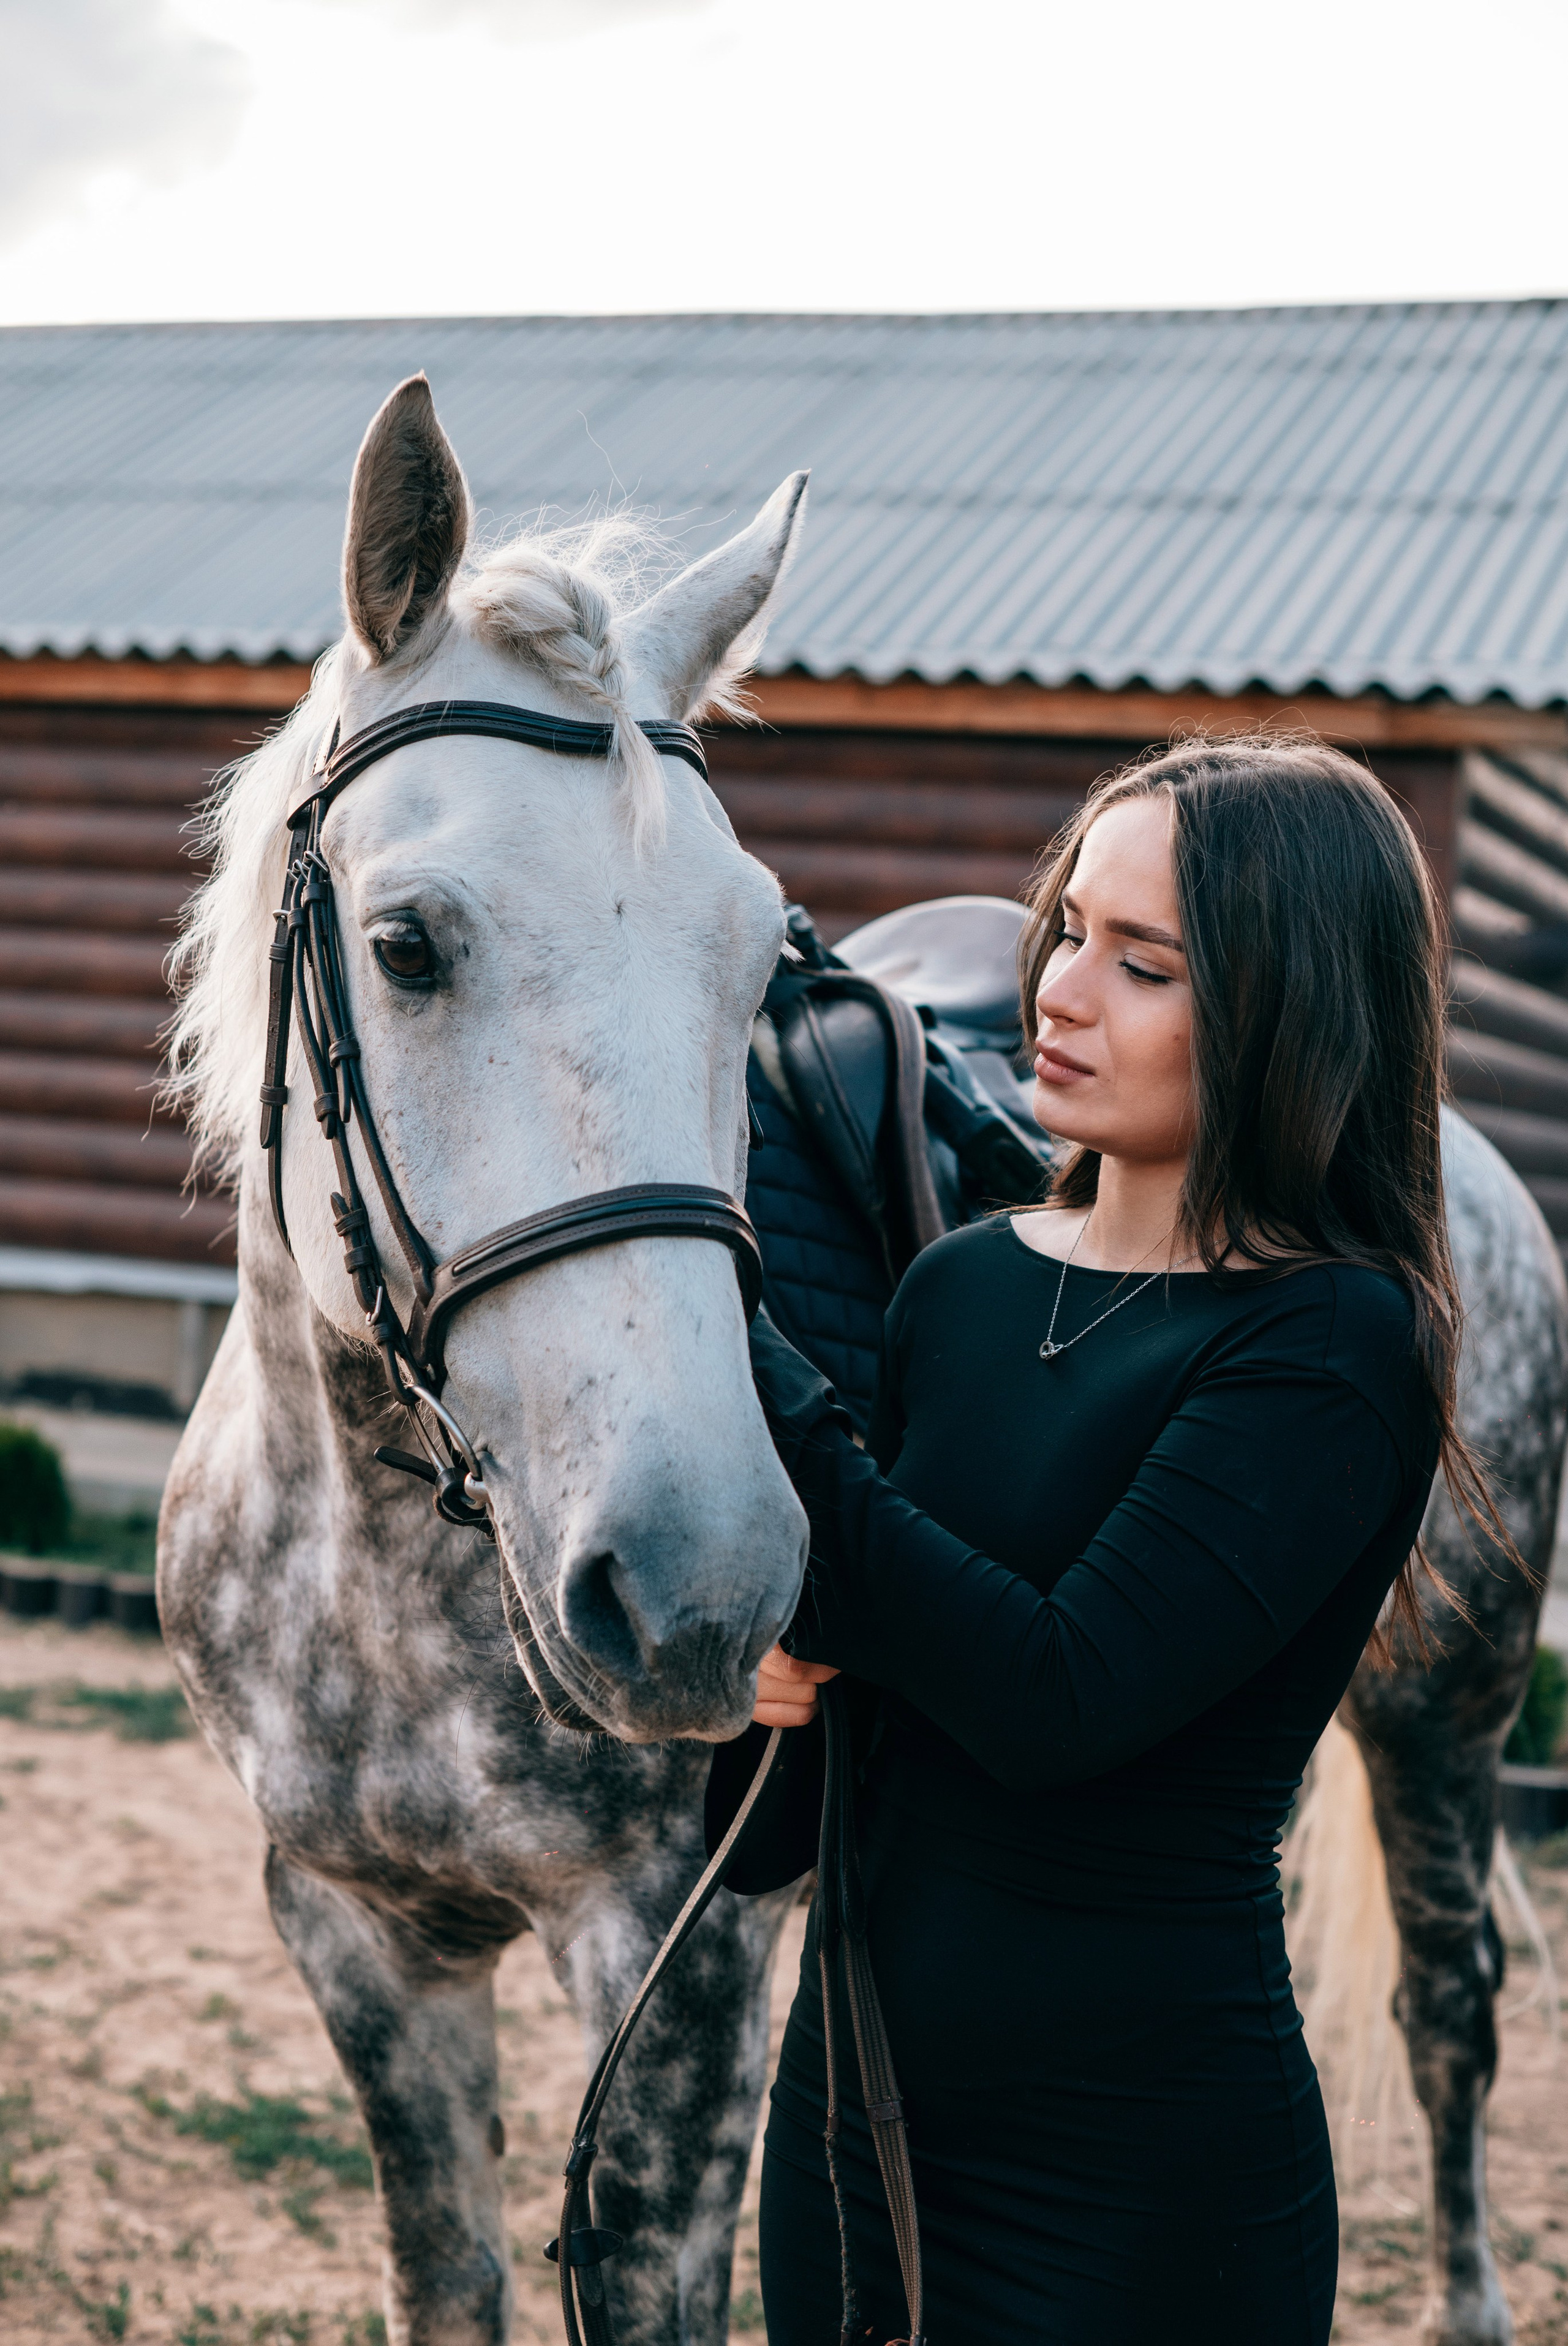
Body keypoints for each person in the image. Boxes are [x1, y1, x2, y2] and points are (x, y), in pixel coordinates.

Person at [709, 735, 1506, 2345]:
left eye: (1143, 964)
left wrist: (759, 1384)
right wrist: (781, 1680)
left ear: (1296, 1011)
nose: (1063, 990)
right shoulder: (962, 1287)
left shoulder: (1333, 1345)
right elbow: (826, 1787)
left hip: (1140, 2186)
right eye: (1067, 929)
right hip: (853, 2117)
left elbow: (1058, 1699)